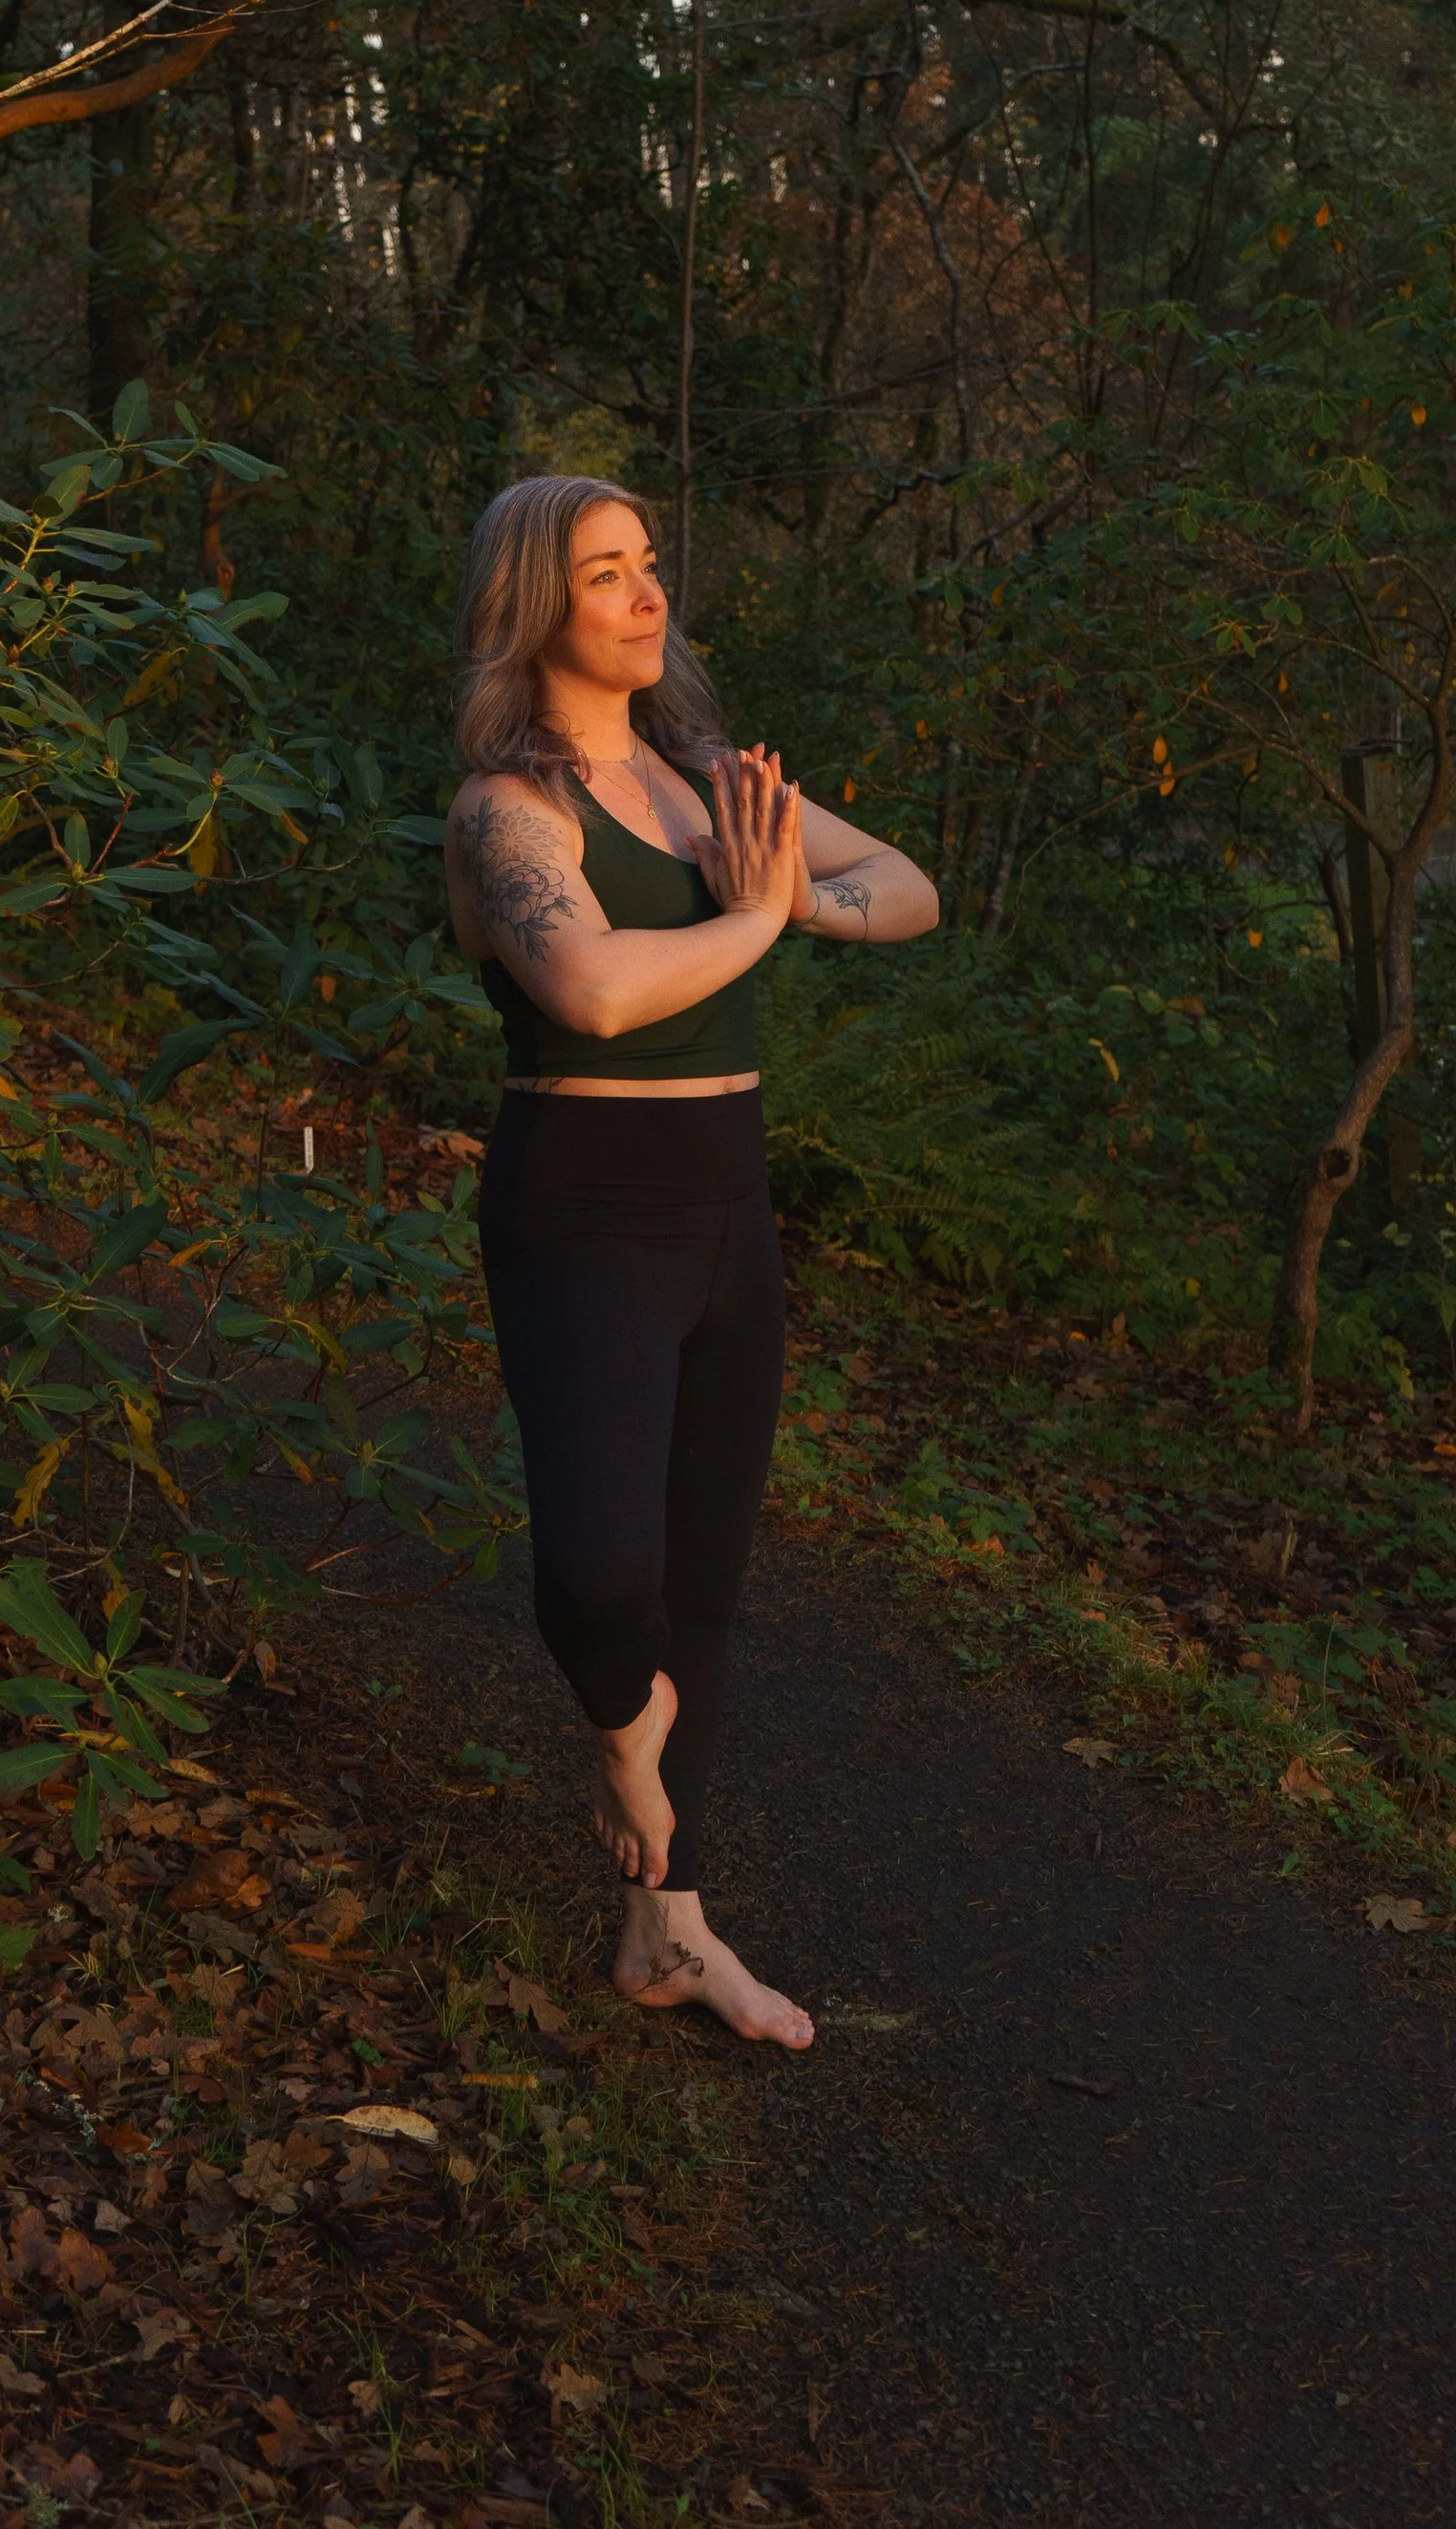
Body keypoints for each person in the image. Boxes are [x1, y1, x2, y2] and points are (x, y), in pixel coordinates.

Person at [445, 473, 938, 2047]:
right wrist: (762, 912)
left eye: (651, 563)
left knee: (703, 1582)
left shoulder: (707, 778)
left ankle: (670, 1930)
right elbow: (588, 988)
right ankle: (620, 1728)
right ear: (537, 608)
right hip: (583, 1203)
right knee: (602, 1570)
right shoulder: (506, 811)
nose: (647, 593)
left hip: (729, 1203)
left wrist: (793, 903)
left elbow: (910, 889)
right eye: (606, 572)